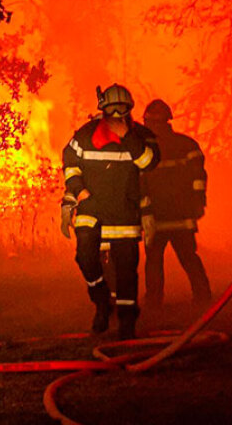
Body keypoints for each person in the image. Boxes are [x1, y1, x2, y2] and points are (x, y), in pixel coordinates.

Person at [60, 84, 159, 340]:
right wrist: (77, 192)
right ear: (102, 109)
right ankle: (102, 303)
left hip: (124, 213)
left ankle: (126, 321)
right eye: (111, 108)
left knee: (126, 270)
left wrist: (127, 136)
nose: (116, 113)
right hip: (91, 209)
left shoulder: (141, 137)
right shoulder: (85, 135)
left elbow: (149, 163)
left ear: (130, 110)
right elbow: (69, 161)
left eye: (122, 108)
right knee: (85, 257)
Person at [139, 99, 212, 309]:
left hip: (156, 217)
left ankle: (154, 300)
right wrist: (198, 204)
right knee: (189, 257)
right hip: (182, 216)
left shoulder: (144, 151)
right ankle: (203, 295)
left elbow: (139, 184)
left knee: (154, 260)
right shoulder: (187, 145)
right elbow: (199, 177)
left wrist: (143, 212)